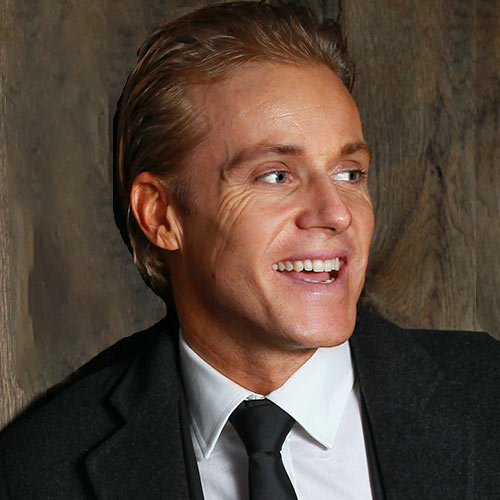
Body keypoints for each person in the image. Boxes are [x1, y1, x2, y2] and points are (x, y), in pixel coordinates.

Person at [1, 2, 498, 499]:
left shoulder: (487, 401)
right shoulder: (36, 471)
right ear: (161, 215)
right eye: (275, 176)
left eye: (349, 173)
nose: (337, 213)